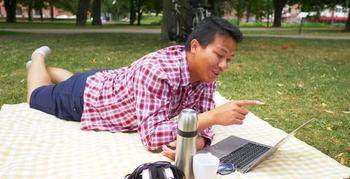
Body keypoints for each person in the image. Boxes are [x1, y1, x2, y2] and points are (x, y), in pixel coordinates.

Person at [26, 17, 262, 160]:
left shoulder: (205, 74)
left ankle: (54, 72)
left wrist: (199, 141)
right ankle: (37, 59)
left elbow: (201, 122)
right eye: (220, 55)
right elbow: (151, 136)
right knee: (36, 96)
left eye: (229, 59)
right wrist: (212, 117)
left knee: (72, 80)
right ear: (195, 46)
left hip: (108, 79)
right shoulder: (157, 70)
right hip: (88, 100)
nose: (224, 65)